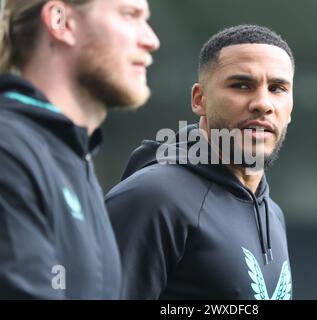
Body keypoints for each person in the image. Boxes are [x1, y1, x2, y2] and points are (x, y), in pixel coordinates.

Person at [106, 24, 294, 300]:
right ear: (199, 100)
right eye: (241, 85)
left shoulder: (273, 213)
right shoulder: (152, 198)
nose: (262, 103)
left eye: (277, 88)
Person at [0, 0, 159, 299]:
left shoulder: (73, 157)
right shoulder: (8, 149)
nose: (151, 40)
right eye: (130, 15)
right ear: (61, 21)